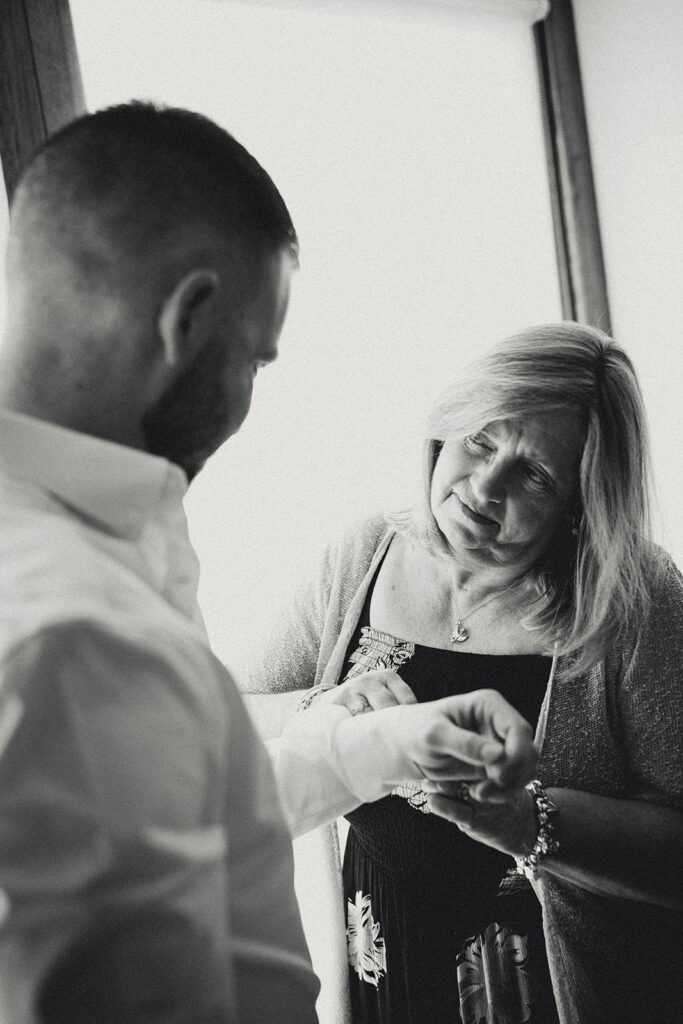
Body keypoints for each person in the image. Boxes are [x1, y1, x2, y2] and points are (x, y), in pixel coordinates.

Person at [0, 102, 537, 1024]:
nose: (248, 398)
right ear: (188, 318)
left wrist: (390, 743)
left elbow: (184, 828)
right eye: (254, 359)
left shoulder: (83, 545)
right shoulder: (74, 629)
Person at [248, 322, 683, 1024]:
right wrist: (322, 708)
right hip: (381, 957)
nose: (483, 488)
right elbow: (228, 708)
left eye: (533, 474)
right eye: (479, 439)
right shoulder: (364, 554)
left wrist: (530, 822)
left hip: (558, 984)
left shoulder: (634, 598)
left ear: (580, 502)